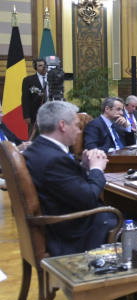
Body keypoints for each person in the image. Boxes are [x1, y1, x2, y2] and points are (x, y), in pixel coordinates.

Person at [23, 101, 117, 256]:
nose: (79, 131)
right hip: (74, 233)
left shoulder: (37, 149)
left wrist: (83, 166)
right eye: (76, 125)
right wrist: (96, 169)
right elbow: (89, 198)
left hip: (62, 224)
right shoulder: (53, 160)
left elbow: (63, 184)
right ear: (62, 125)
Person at [21, 58, 48, 132]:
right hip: (34, 116)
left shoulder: (52, 79)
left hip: (50, 115)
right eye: (40, 66)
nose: (43, 67)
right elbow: (25, 99)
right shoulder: (28, 80)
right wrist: (26, 116)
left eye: (44, 65)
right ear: (35, 68)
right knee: (33, 138)